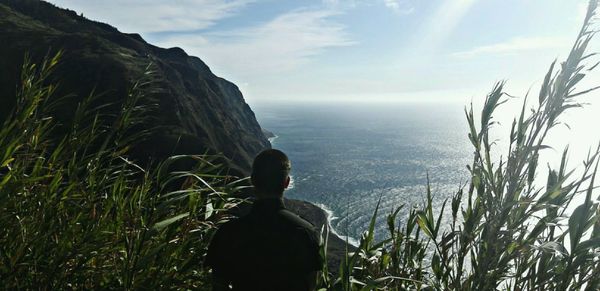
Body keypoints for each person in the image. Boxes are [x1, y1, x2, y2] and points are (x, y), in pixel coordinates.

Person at [205, 149, 323, 291]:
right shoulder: (305, 233)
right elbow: (310, 286)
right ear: (286, 182)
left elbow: (218, 285)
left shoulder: (228, 233)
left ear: (253, 180)